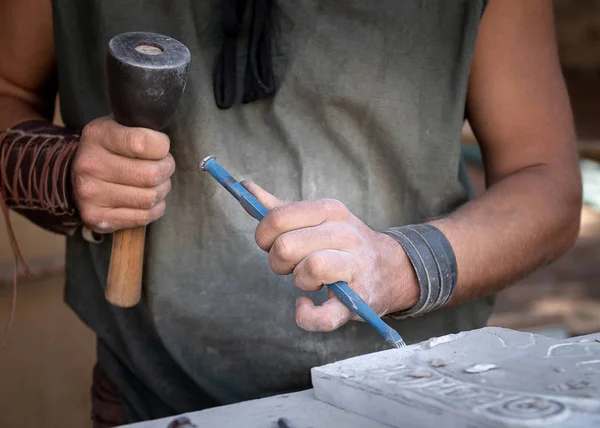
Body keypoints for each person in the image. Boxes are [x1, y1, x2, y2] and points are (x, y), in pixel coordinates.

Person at [0, 0, 582, 426]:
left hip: (417, 399)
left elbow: (547, 184)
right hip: (153, 398)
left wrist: (400, 265)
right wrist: (64, 172)